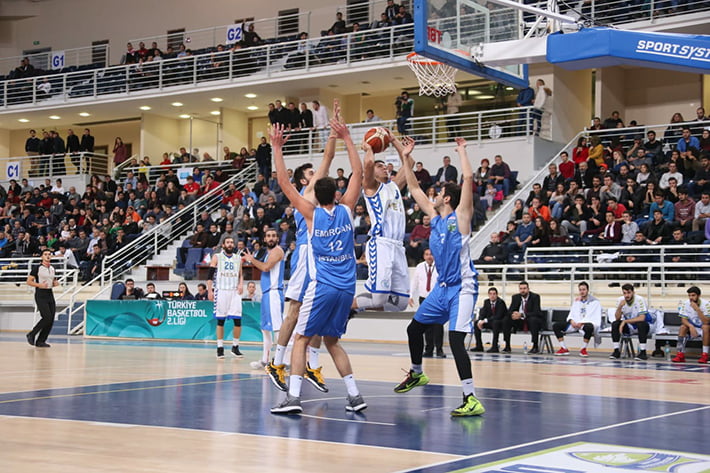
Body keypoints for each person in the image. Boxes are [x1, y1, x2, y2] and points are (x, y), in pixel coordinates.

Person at [269, 119, 366, 415]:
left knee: (301, 339)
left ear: (315, 194)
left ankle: (293, 398)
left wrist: (276, 148)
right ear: (336, 194)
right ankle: (354, 395)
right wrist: (347, 137)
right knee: (333, 342)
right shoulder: (348, 210)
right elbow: (358, 174)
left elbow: (285, 185)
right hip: (347, 288)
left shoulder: (310, 214)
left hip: (322, 288)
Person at [395, 136, 484, 417]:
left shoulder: (461, 218)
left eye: (439, 192)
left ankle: (470, 398)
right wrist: (405, 156)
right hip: (441, 290)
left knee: (456, 340)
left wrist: (461, 150)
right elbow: (412, 187)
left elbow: (467, 177)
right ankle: (418, 372)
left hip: (463, 288)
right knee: (414, 329)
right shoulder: (435, 218)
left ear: (448, 198)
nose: (433, 194)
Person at [266, 102, 345, 395]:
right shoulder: (306, 193)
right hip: (307, 257)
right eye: (312, 172)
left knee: (316, 315)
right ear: (304, 180)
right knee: (295, 312)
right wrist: (335, 133)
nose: (318, 172)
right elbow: (327, 155)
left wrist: (335, 128)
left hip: (323, 258)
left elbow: (327, 156)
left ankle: (311, 365)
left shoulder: (318, 193)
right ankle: (276, 362)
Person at [351, 130, 410, 315]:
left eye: (385, 165)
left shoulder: (393, 186)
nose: (384, 167)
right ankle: (343, 307)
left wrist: (394, 140)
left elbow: (410, 163)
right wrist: (369, 148)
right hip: (381, 243)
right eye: (379, 166)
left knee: (401, 303)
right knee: (379, 298)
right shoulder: (370, 187)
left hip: (398, 246)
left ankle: (355, 308)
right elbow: (368, 163)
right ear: (372, 173)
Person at [244, 228, 285, 371]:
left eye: (274, 236)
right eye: (268, 236)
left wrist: (251, 259)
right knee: (265, 329)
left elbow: (266, 268)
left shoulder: (277, 251)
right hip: (267, 293)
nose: (271, 238)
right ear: (265, 239)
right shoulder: (267, 253)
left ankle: (282, 362)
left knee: (278, 329)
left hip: (274, 293)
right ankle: (265, 360)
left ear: (277, 239)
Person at [206, 236, 244, 359]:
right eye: (228, 242)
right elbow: (210, 275)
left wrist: (241, 285)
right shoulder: (217, 257)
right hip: (221, 290)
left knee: (238, 320)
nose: (230, 244)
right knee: (220, 320)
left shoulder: (238, 258)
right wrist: (209, 290)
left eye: (232, 242)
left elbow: (240, 274)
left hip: (234, 291)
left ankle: (235, 347)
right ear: (223, 245)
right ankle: (220, 347)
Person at [408, 248, 443, 358]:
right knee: (426, 325)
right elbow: (414, 282)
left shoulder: (439, 266)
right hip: (424, 298)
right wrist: (410, 295)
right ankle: (429, 349)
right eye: (427, 254)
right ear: (424, 256)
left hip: (437, 299)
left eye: (431, 254)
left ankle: (439, 349)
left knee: (438, 325)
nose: (429, 257)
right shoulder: (419, 267)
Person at [553, 281, 602, 357]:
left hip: (585, 324)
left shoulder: (595, 302)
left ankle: (583, 349)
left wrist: (582, 322)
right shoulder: (577, 301)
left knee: (589, 327)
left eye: (583, 289)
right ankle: (563, 348)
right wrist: (571, 320)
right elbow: (572, 313)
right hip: (575, 324)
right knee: (556, 326)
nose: (582, 292)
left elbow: (593, 316)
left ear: (587, 290)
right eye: (580, 290)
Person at [610, 284, 654, 361]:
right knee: (615, 324)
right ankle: (616, 351)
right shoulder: (620, 300)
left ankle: (643, 352)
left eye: (629, 293)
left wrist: (625, 322)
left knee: (642, 324)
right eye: (624, 293)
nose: (626, 295)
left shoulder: (640, 300)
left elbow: (642, 318)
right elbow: (617, 318)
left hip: (645, 325)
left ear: (633, 292)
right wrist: (620, 307)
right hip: (630, 326)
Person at [26, 249, 59, 347]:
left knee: (51, 318)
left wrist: (54, 284)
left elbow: (53, 281)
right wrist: (39, 285)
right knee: (46, 317)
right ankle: (31, 334)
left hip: (50, 293)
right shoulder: (37, 268)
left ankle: (41, 341)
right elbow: (29, 281)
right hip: (40, 294)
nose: (48, 256)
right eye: (45, 254)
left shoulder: (53, 268)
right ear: (42, 257)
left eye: (49, 254)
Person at [671, 286, 710, 364]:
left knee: (706, 327)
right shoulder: (685, 304)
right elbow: (683, 320)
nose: (691, 297)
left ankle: (705, 355)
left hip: (703, 327)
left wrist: (697, 310)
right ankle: (680, 354)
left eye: (693, 295)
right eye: (689, 295)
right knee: (683, 327)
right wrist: (691, 326)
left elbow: (706, 321)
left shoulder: (706, 304)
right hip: (692, 327)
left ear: (698, 296)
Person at [503, 281, 545, 353]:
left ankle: (535, 346)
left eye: (524, 288)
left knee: (533, 320)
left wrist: (522, 315)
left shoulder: (535, 297)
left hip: (531, 320)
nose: (522, 290)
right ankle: (507, 346)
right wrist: (514, 314)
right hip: (520, 321)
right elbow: (509, 311)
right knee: (506, 320)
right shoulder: (515, 297)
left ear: (528, 289)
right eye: (521, 289)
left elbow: (536, 312)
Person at [472, 287, 507, 353]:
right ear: (488, 295)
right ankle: (479, 346)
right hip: (490, 322)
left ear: (497, 295)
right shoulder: (486, 302)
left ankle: (495, 347)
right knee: (476, 323)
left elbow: (498, 316)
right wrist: (480, 321)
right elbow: (483, 313)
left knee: (495, 323)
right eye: (490, 294)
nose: (492, 296)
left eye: (494, 294)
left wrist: (485, 320)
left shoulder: (501, 302)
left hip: (500, 323)